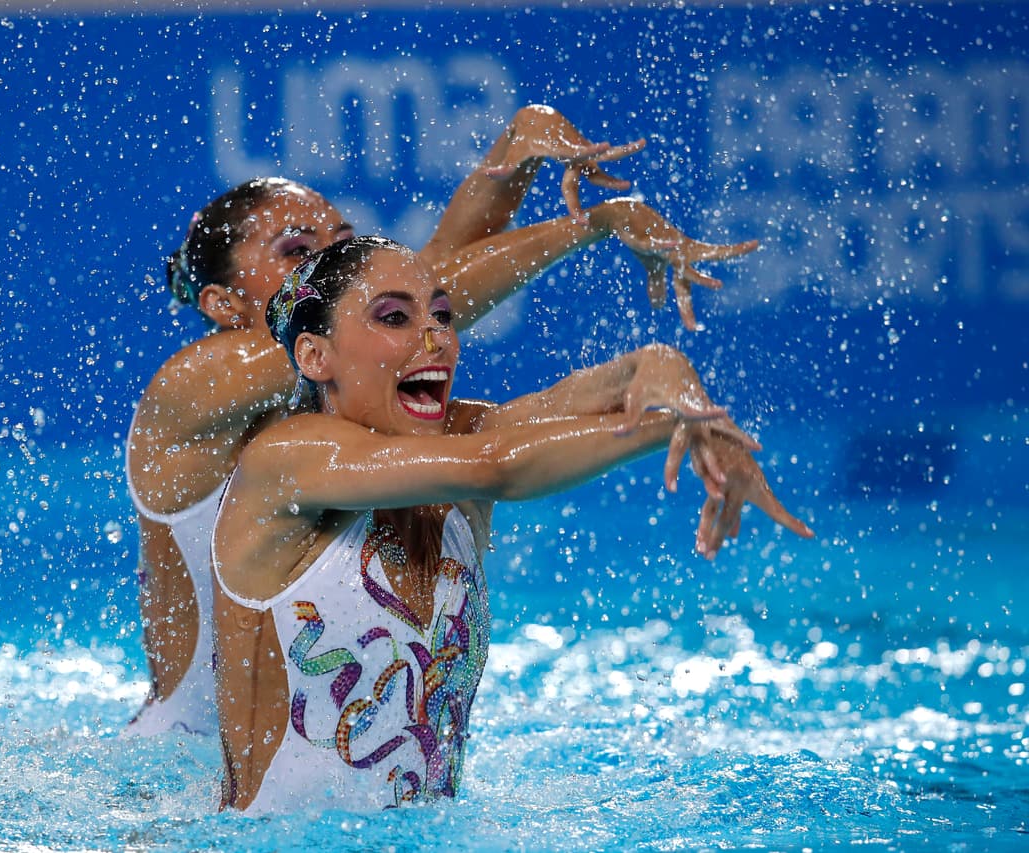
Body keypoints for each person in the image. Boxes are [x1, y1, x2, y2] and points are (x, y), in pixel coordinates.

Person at [125, 105, 760, 736]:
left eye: (342, 244)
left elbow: (424, 281)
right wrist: (597, 224)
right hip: (185, 767)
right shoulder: (196, 387)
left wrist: (515, 151)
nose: (331, 264)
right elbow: (423, 304)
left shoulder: (358, 414)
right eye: (298, 251)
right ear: (223, 302)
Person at [211, 236, 813, 813]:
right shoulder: (283, 461)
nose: (437, 338)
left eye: (443, 316)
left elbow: (599, 393)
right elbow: (494, 468)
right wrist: (674, 430)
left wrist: (667, 372)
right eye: (395, 318)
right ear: (316, 356)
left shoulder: (462, 439)